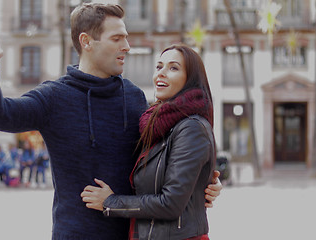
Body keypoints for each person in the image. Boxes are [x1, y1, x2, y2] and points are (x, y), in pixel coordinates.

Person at [0, 3, 221, 239]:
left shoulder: (134, 97)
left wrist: (203, 185)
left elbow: (167, 158)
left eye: (126, 37)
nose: (127, 46)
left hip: (134, 233)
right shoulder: (53, 97)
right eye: (116, 38)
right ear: (86, 41)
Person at [81, 44, 216, 240]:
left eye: (173, 68)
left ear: (190, 79)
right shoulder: (156, 125)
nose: (161, 73)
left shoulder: (191, 128)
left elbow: (171, 203)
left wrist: (110, 202)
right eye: (159, 66)